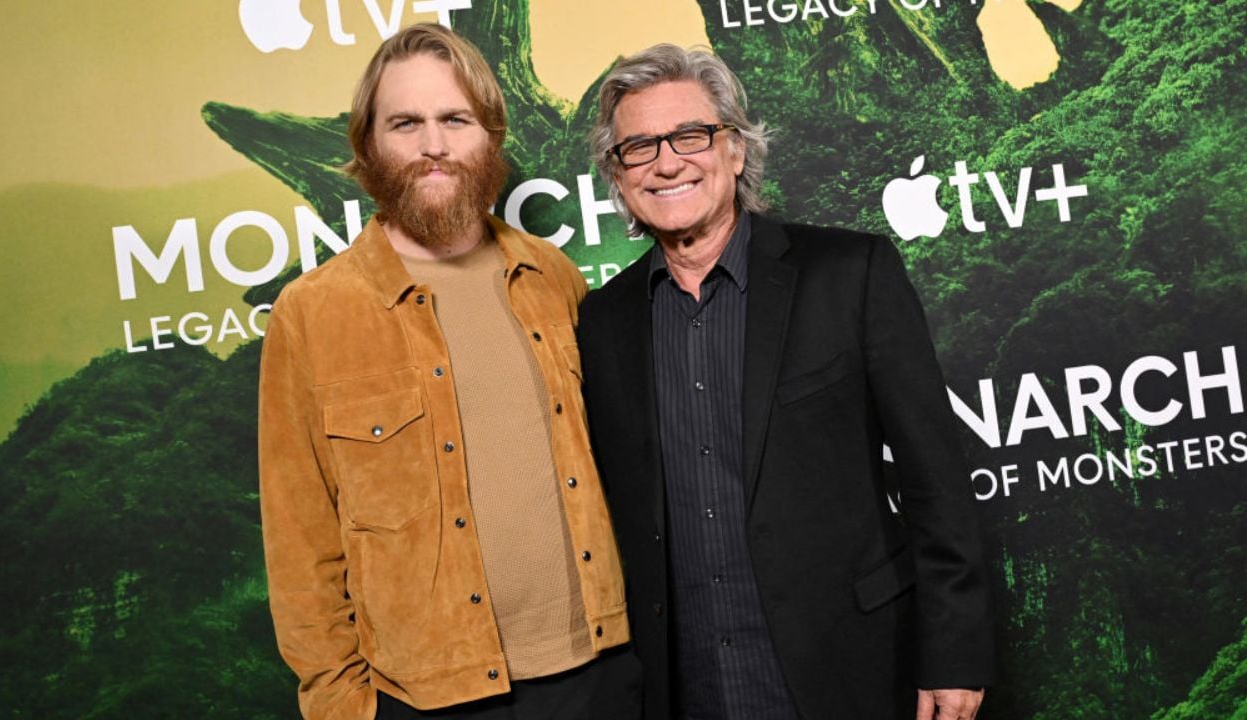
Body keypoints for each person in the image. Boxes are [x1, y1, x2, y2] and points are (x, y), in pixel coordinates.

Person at [577, 44, 995, 720]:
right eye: (639, 147)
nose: (667, 162)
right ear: (618, 176)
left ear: (736, 150)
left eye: (690, 135)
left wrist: (954, 654)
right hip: (688, 689)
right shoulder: (601, 322)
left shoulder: (850, 274)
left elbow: (937, 482)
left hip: (852, 670)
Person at [257, 23, 639, 720]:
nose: (433, 144)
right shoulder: (311, 314)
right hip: (427, 696)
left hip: (599, 675)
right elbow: (298, 539)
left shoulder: (550, 275)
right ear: (368, 145)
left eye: (455, 120)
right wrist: (342, 704)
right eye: (406, 123)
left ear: (489, 137)